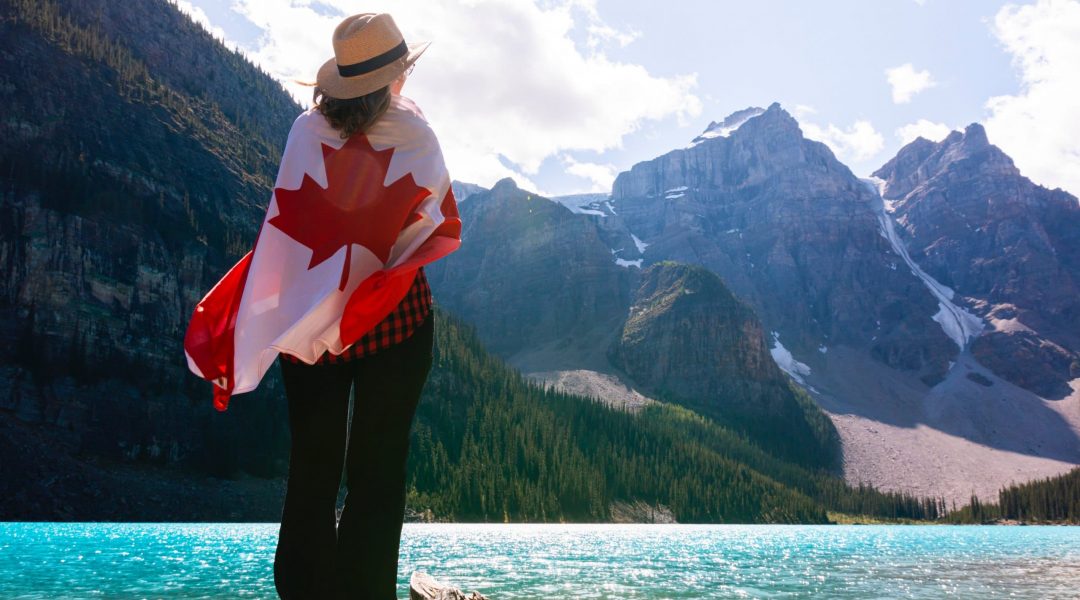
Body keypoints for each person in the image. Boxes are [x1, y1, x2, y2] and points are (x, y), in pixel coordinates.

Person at [267, 13, 453, 600]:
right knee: (377, 473)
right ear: (396, 76)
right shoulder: (414, 132)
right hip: (393, 322)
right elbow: (435, 222)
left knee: (311, 471)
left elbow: (285, 231)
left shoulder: (304, 131)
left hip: (305, 326)